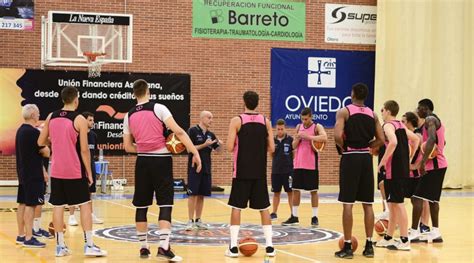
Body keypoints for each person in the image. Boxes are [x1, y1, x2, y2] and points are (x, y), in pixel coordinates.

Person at [123, 79, 201, 261]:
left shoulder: (129, 115)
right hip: (161, 161)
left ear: (134, 94)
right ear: (148, 90)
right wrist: (194, 151)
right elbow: (180, 132)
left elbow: (127, 147)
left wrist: (143, 148)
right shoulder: (159, 108)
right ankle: (164, 247)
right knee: (165, 203)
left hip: (142, 162)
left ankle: (143, 248)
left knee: (141, 205)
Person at [38, 87, 107, 257]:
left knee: (58, 206)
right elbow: (84, 150)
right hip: (74, 170)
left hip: (56, 169)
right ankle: (89, 245)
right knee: (84, 205)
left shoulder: (51, 116)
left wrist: (55, 141)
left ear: (62, 99)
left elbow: (40, 141)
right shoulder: (79, 119)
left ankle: (60, 247)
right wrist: (90, 172)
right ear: (76, 100)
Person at [334, 83, 384, 259]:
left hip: (350, 157)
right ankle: (369, 245)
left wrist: (345, 146)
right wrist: (369, 146)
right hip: (365, 158)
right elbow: (382, 139)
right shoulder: (373, 114)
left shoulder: (344, 111)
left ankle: (347, 247)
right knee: (367, 204)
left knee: (348, 203)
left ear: (352, 94)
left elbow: (337, 136)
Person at [225, 91, 276, 258]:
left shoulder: (237, 120)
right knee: (264, 209)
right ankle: (269, 247)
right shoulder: (265, 121)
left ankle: (233, 247)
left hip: (241, 171)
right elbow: (272, 149)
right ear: (258, 103)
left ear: (244, 102)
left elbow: (229, 147)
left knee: (237, 207)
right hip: (259, 171)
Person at [375, 100, 420, 251]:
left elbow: (393, 142)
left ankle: (404, 240)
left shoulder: (388, 126)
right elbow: (416, 139)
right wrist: (409, 158)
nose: (381, 113)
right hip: (399, 169)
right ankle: (388, 237)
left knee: (398, 204)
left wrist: (382, 161)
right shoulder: (400, 125)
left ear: (387, 111)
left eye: (382, 110)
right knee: (393, 204)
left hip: (393, 170)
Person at [409, 99, 448, 243]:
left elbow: (432, 139)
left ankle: (414, 232)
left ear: (425, 108)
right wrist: (433, 151)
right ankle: (436, 232)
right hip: (440, 165)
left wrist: (423, 161)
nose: (417, 110)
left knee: (416, 198)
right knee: (433, 200)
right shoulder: (438, 121)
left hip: (435, 166)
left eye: (419, 108)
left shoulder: (430, 120)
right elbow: (443, 142)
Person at [282, 108, 327, 227]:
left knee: (313, 191)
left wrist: (308, 137)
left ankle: (314, 217)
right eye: (302, 119)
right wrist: (297, 138)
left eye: (306, 119)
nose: (304, 121)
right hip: (298, 163)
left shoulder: (317, 126)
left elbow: (324, 138)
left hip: (311, 164)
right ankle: (294, 216)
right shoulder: (298, 127)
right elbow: (293, 146)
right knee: (295, 190)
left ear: (311, 117)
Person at [15, 104, 50, 248]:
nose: (39, 115)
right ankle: (29, 237)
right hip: (33, 175)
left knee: (22, 203)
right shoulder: (33, 133)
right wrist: (44, 135)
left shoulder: (21, 131)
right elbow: (46, 152)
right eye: (38, 113)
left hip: (23, 173)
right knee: (31, 204)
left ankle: (21, 234)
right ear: (33, 114)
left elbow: (33, 151)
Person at [185, 111, 222, 231]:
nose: (211, 120)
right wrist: (204, 145)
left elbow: (218, 151)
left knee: (201, 195)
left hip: (206, 167)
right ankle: (190, 221)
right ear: (202, 118)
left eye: (212, 118)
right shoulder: (192, 131)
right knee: (193, 194)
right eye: (209, 117)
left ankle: (198, 220)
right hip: (194, 167)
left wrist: (220, 145)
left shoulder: (211, 134)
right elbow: (189, 148)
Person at [68, 112, 103, 226]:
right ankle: (71, 216)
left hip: (90, 165)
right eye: (90, 120)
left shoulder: (94, 135)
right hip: (78, 165)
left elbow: (93, 153)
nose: (92, 122)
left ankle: (91, 214)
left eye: (93, 120)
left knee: (90, 192)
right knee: (74, 191)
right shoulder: (77, 135)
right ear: (83, 121)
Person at [402, 112, 431, 234]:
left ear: (409, 122)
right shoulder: (406, 135)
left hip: (417, 174)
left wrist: (415, 166)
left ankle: (424, 225)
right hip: (408, 175)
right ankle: (418, 225)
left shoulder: (418, 136)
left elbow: (425, 154)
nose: (401, 123)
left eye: (403, 121)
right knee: (414, 201)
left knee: (421, 200)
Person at [270, 119, 293, 221]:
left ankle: (293, 213)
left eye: (281, 129)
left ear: (285, 128)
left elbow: (294, 155)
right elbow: (271, 154)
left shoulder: (290, 140)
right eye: (278, 129)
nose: (280, 131)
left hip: (288, 171)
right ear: (276, 129)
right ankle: (274, 212)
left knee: (290, 192)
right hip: (276, 171)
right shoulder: (273, 140)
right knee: (276, 192)